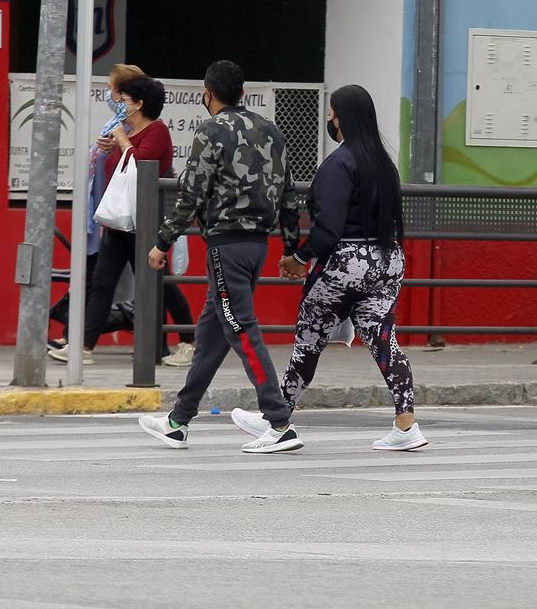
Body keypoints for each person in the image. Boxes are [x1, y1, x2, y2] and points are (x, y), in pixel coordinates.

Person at [137, 60, 300, 453]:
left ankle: (278, 422)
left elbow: (191, 193)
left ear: (207, 93)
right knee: (213, 332)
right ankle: (178, 420)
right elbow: (289, 195)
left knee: (240, 327)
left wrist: (163, 241)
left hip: (225, 246)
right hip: (258, 246)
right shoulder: (272, 131)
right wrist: (292, 248)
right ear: (242, 93)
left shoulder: (210, 130)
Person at [269, 84, 426, 452]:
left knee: (308, 339)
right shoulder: (384, 163)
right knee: (384, 341)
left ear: (342, 118)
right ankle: (406, 423)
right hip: (387, 261)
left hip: (345, 264)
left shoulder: (338, 164)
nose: (328, 119)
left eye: (330, 113)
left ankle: (276, 420)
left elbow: (327, 230)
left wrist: (298, 258)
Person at [49, 74, 196, 366]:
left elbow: (141, 166)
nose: (120, 105)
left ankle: (189, 342)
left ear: (139, 103)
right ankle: (84, 347)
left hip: (144, 223)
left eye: (125, 100)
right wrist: (110, 147)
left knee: (161, 283)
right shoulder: (130, 131)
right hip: (120, 222)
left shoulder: (156, 132)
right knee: (103, 282)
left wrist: (120, 139)